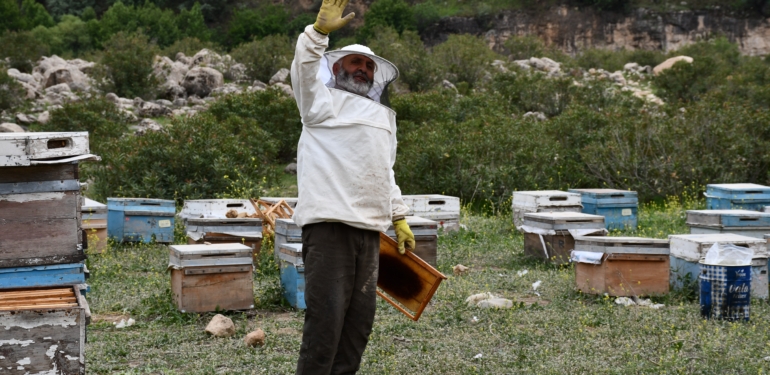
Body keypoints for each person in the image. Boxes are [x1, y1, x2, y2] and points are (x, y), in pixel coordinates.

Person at [289, 0, 416, 374]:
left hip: (369, 231)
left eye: (369, 66)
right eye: (355, 63)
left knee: (358, 327)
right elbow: (304, 71)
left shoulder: (382, 118)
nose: (363, 69)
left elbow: (384, 170)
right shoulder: (320, 102)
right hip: (329, 228)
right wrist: (318, 35)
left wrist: (399, 216)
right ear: (338, 67)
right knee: (325, 325)